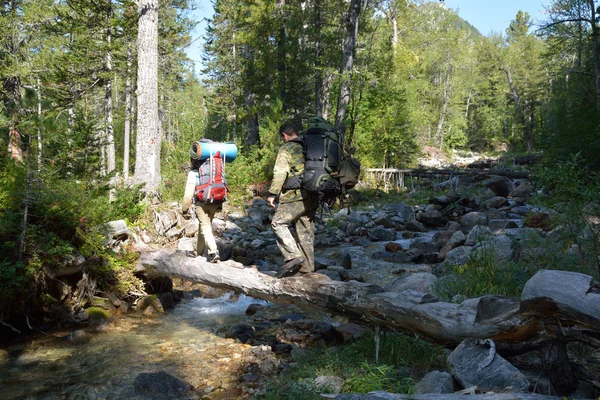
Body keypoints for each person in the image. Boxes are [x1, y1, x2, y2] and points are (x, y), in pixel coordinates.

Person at [267, 122, 319, 278]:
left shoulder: (287, 149)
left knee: (278, 223)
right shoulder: (309, 146)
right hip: (313, 194)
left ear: (284, 135)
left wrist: (272, 193)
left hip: (294, 196)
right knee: (305, 231)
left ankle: (293, 255)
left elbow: (280, 173)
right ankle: (307, 269)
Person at [182, 155, 221, 263]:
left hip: (201, 203)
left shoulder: (194, 173)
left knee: (205, 227)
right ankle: (198, 252)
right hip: (214, 202)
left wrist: (185, 208)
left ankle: (213, 251)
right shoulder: (214, 171)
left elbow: (188, 193)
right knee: (203, 226)